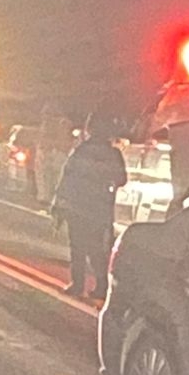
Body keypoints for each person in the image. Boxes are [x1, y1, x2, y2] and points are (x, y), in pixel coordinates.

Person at [52, 112, 126, 299]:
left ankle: (78, 285)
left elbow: (67, 177)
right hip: (99, 208)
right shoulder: (113, 154)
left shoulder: (81, 151)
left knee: (78, 247)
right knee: (96, 249)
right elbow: (121, 179)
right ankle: (101, 286)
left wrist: (59, 204)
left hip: (79, 205)